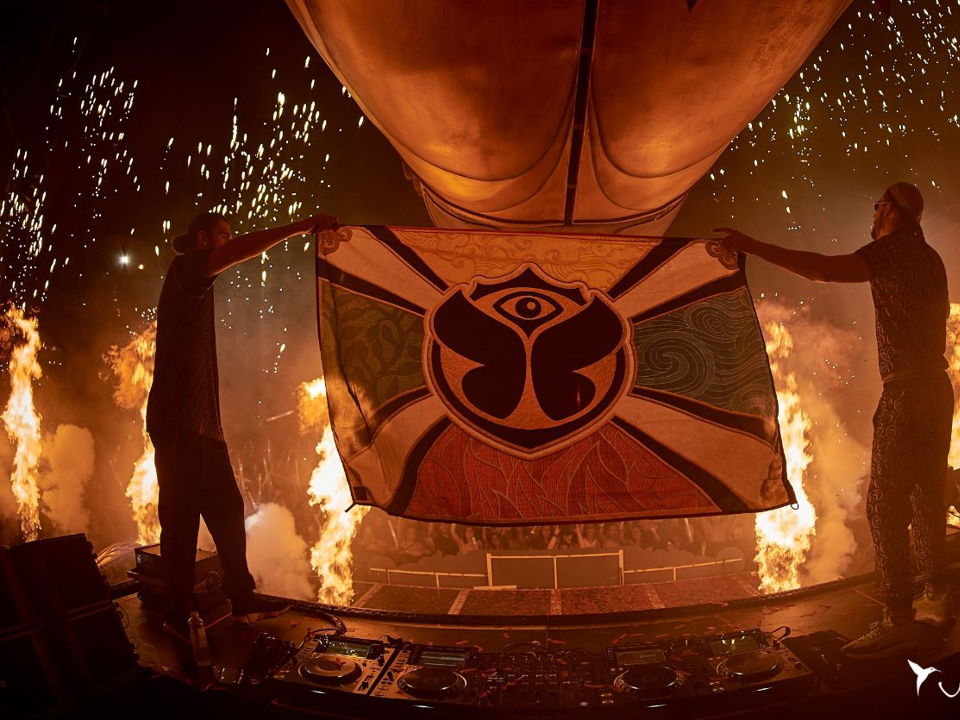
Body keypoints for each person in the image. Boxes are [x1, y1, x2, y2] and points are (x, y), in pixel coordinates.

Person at [715, 182, 954, 659]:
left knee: (884, 506)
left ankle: (898, 618)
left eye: (878, 204)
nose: (874, 210)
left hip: (906, 394)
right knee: (928, 498)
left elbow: (822, 270)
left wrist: (749, 244)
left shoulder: (892, 251)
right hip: (936, 391)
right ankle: (937, 601)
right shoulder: (930, 258)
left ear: (891, 210)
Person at [146, 210, 337, 640]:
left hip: (204, 429)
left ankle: (242, 597)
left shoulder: (199, 281)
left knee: (228, 511)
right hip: (177, 424)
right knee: (180, 523)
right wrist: (300, 225)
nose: (228, 243)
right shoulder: (186, 268)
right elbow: (235, 253)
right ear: (202, 240)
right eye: (222, 236)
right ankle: (177, 616)